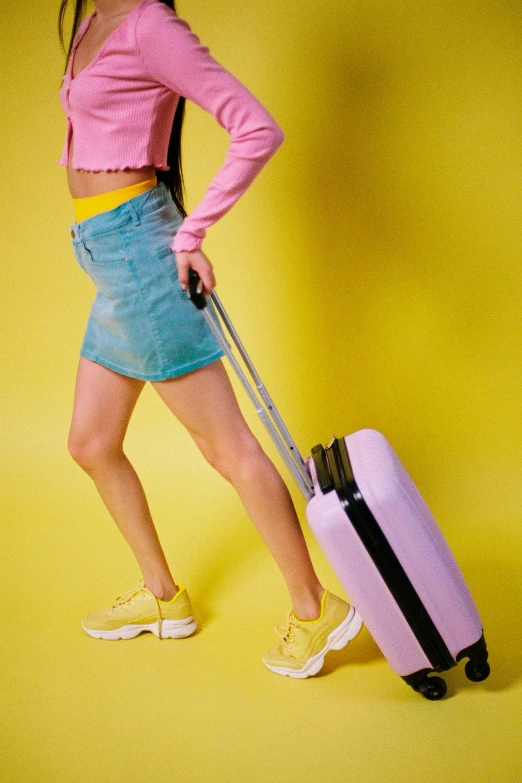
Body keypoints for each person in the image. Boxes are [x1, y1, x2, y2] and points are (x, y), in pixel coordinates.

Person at [59, 0, 363, 678]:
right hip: (108, 259)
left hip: (141, 254)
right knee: (91, 443)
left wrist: (189, 234)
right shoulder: (89, 20)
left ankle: (316, 609)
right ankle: (163, 599)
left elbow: (257, 127)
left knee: (227, 448)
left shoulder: (148, 26)